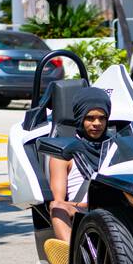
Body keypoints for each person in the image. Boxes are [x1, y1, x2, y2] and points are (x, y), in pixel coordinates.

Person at [48, 87, 111, 241]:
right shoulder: (63, 153)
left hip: (114, 211)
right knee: (56, 207)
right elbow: (59, 200)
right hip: (81, 211)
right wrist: (83, 206)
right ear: (80, 119)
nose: (97, 123)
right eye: (90, 118)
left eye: (102, 118)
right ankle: (70, 257)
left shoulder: (117, 147)